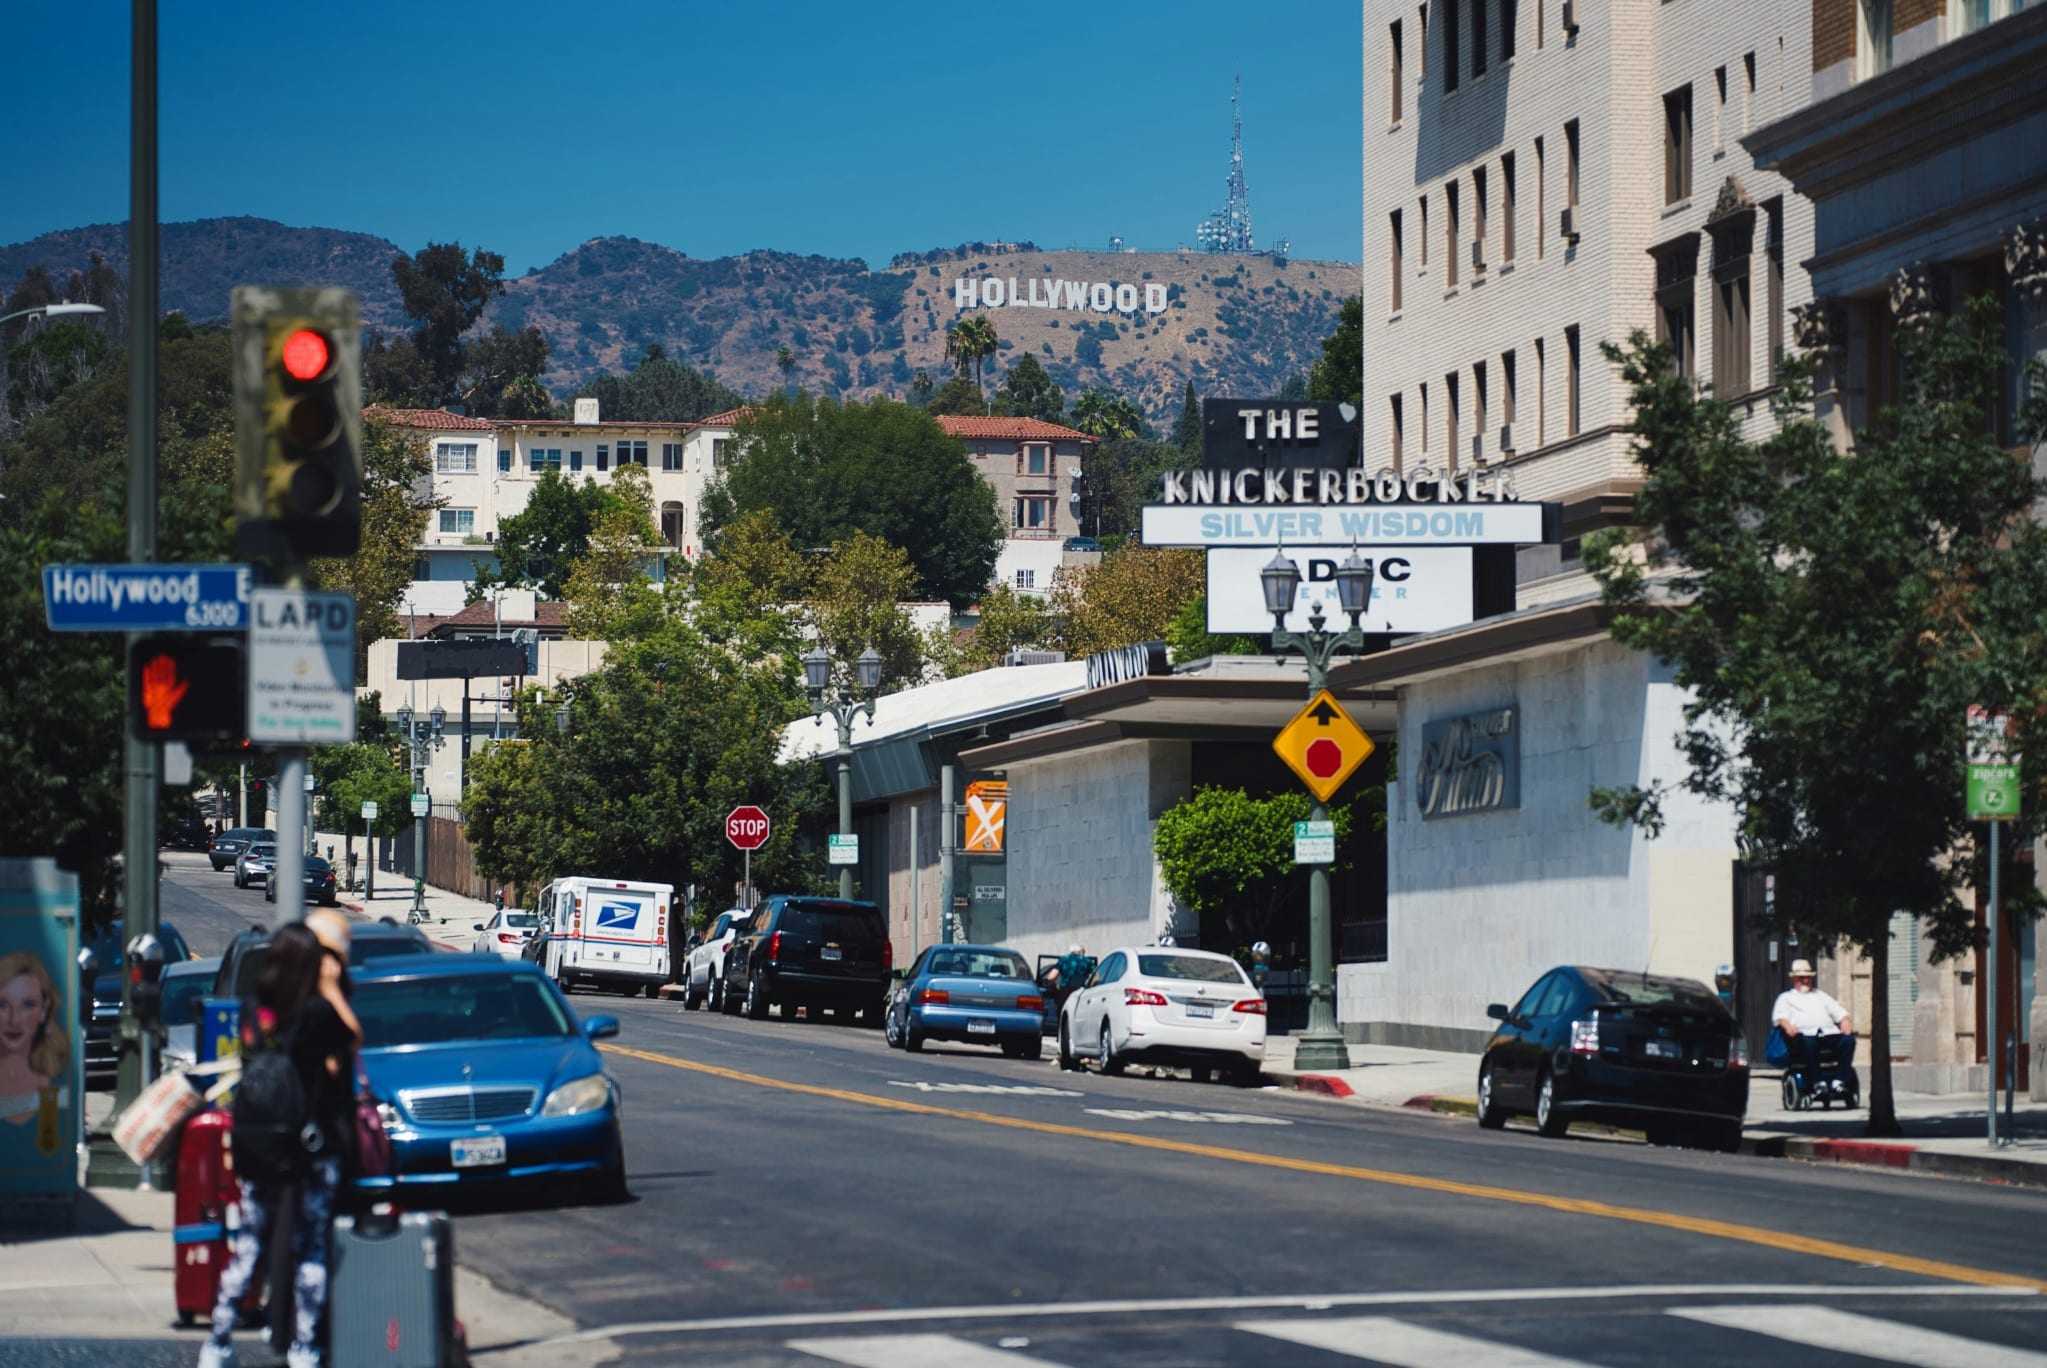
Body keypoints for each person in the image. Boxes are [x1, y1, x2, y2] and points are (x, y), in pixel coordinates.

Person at [203, 921, 360, 1368]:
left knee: (249, 1245)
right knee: (310, 1245)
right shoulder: (315, 1012)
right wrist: (330, 990)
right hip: (308, 1143)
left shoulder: (255, 1009)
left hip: (257, 1140)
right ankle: (304, 1348)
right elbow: (351, 1041)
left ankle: (216, 1343)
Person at [0, 951, 67, 1128]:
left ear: (44, 1009)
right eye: (2, 1005)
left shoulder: (55, 1072)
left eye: (27, 1005)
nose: (14, 1020)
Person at [1771, 958, 1853, 1079]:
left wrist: (1844, 1020)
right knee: (1809, 1044)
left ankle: (1840, 1079)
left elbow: (1838, 1011)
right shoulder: (1786, 998)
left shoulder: (1820, 995)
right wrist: (1787, 1025)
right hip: (1804, 1035)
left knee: (1848, 1041)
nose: (1805, 981)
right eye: (1801, 978)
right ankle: (1817, 1081)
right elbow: (1780, 1017)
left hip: (1827, 1034)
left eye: (1808, 977)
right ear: (1794, 979)